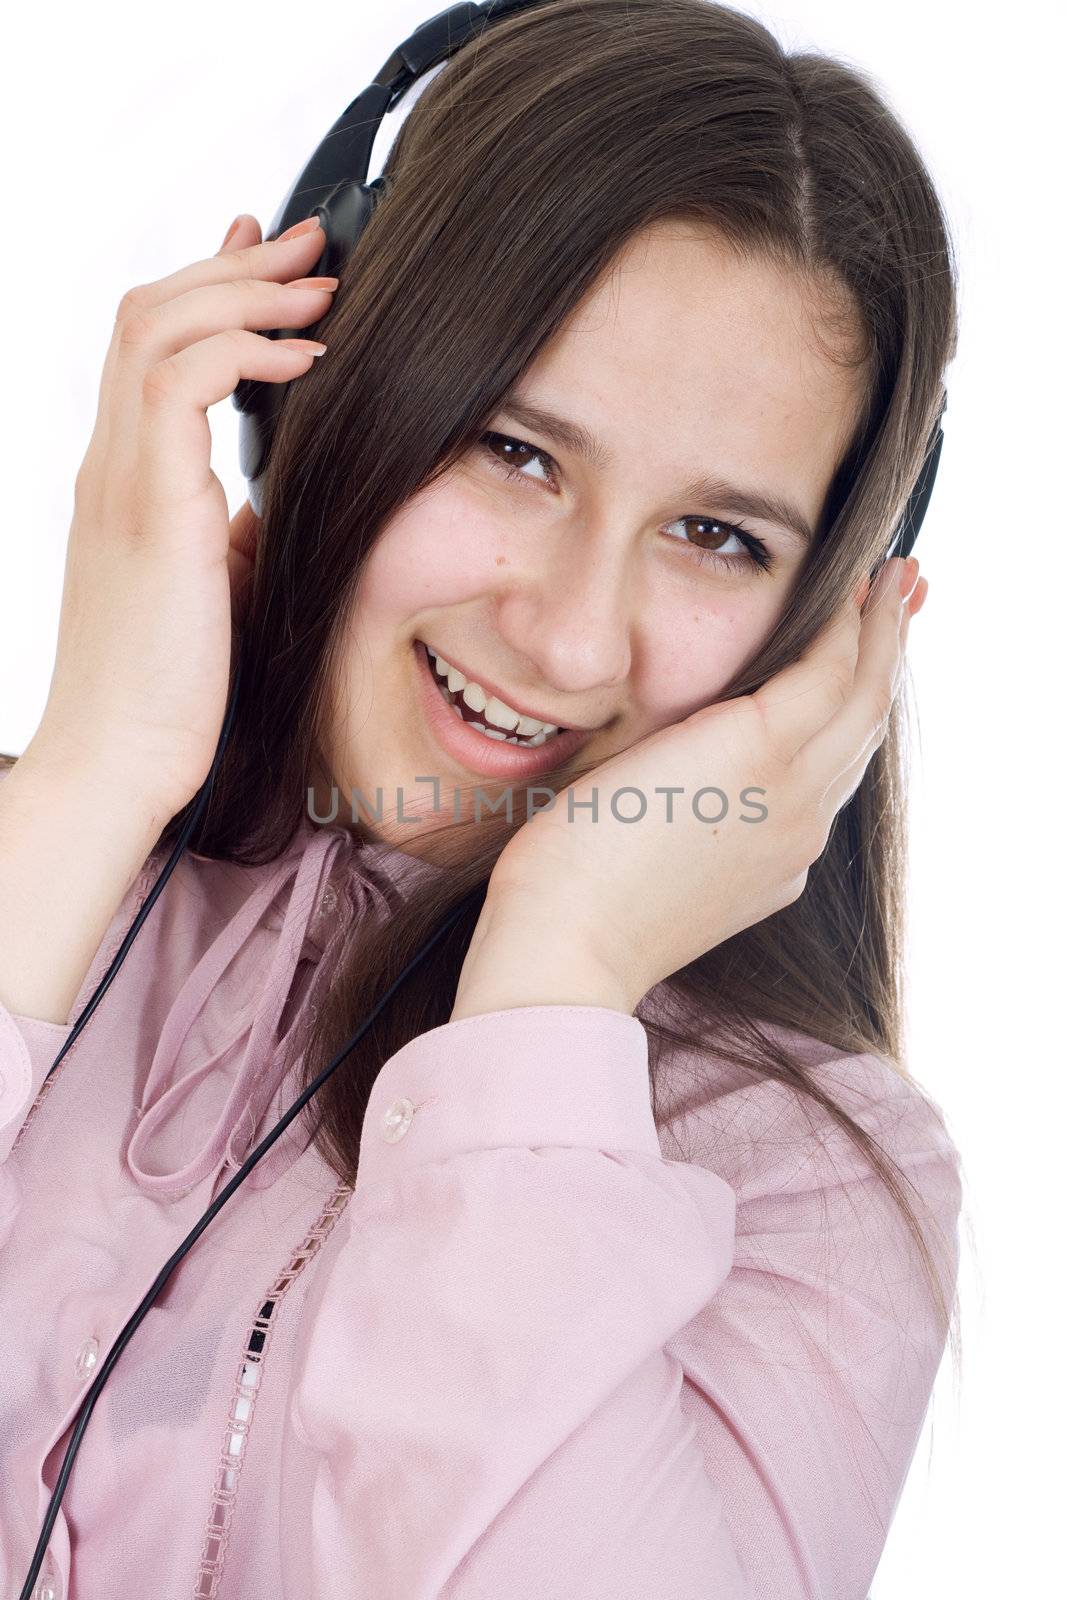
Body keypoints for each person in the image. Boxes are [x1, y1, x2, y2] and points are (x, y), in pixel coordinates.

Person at [0, 0, 961, 1594]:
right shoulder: (40, 876)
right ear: (310, 378)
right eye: (517, 449)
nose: (574, 634)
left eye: (720, 537)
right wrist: (87, 785)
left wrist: (553, 990)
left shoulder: (811, 1180)